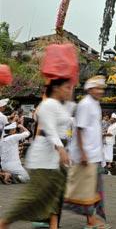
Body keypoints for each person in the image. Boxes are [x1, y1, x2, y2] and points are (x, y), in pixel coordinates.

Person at [0, 78, 72, 229]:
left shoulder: (60, 106)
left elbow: (66, 124)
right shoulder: (47, 105)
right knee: (31, 198)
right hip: (43, 158)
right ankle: (3, 223)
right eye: (67, 87)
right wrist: (60, 148)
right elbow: (49, 129)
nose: (69, 90)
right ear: (57, 88)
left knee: (54, 196)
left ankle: (53, 226)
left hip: (55, 159)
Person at [64, 76, 110, 229]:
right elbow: (80, 129)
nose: (100, 91)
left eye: (102, 88)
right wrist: (83, 153)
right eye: (97, 88)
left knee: (93, 188)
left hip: (94, 154)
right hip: (86, 155)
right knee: (86, 189)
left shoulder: (95, 104)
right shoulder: (85, 104)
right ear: (90, 89)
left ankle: (92, 218)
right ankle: (90, 221)